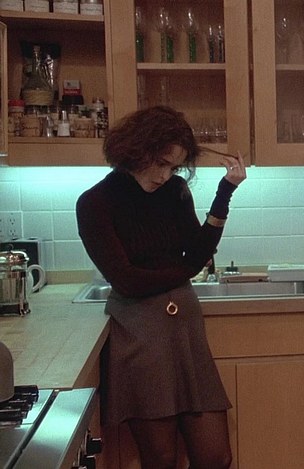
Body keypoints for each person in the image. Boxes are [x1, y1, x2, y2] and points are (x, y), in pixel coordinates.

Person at [76, 105, 245, 469]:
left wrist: (225, 193)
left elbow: (198, 253)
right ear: (137, 150)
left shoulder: (174, 191)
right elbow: (126, 281)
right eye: (162, 164)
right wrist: (183, 271)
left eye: (175, 167)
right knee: (161, 459)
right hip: (140, 334)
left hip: (186, 331)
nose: (166, 175)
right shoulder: (94, 203)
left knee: (216, 457)